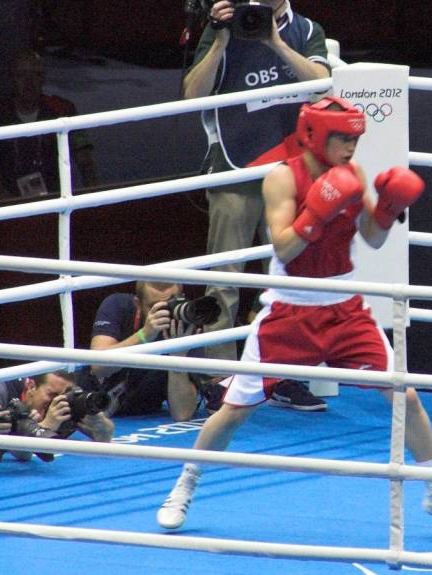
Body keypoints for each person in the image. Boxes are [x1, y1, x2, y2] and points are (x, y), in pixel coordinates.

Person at [156, 97, 432, 532]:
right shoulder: (281, 178)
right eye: (343, 138)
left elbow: (373, 240)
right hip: (289, 313)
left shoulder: (354, 175)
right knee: (234, 411)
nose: (351, 147)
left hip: (345, 310)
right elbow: (284, 247)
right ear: (314, 135)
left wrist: (387, 209)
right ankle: (185, 486)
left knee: (406, 396)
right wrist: (318, 210)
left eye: (356, 138)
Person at [184, 0, 332, 372]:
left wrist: (276, 43)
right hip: (236, 169)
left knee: (288, 282)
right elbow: (192, 96)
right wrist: (219, 40)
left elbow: (321, 86)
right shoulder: (225, 26)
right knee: (224, 280)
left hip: (290, 174)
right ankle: (219, 376)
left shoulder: (307, 30)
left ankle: (283, 374)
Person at [85, 281, 223, 421]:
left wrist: (177, 355)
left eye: (169, 303)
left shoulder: (186, 326)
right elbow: (98, 367)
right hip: (91, 406)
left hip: (143, 413)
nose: (165, 312)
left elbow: (182, 414)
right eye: (155, 306)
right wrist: (144, 335)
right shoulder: (118, 305)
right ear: (138, 304)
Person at [0, 48, 98, 201]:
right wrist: (18, 212)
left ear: (43, 78)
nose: (29, 82)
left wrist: (94, 205)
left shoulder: (64, 110)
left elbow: (86, 163)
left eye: (35, 74)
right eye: (21, 75)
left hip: (56, 203)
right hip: (8, 207)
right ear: (11, 78)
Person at [0, 370, 114, 466]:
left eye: (65, 395)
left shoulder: (66, 406)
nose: (57, 401)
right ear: (31, 386)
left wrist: (104, 433)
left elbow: (100, 435)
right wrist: (46, 426)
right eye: (52, 394)